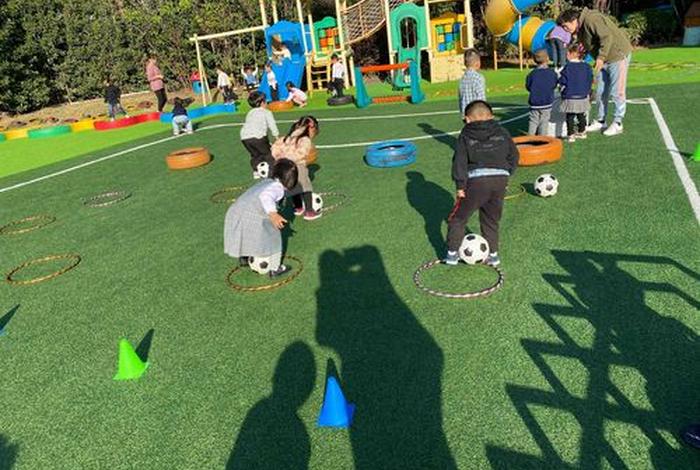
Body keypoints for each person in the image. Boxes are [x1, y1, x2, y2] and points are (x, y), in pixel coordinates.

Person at [444, 101, 519, 268]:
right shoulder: (502, 131)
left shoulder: (465, 134)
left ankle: (452, 254)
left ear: (467, 119)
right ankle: (493, 256)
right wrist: (507, 173)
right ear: (491, 116)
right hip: (500, 180)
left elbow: (459, 162)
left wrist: (460, 186)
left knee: (458, 218)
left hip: (476, 181)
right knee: (491, 219)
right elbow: (514, 155)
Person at [557, 8, 632, 136]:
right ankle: (601, 120)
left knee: (617, 91)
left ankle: (618, 122)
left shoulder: (591, 19)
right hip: (604, 59)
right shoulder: (579, 28)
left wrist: (601, 57)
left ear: (573, 20)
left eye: (565, 26)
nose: (565, 29)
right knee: (601, 91)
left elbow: (606, 37)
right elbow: (588, 43)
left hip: (617, 55)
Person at [224, 159, 299, 278]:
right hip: (252, 213)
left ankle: (244, 258)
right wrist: (273, 214)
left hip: (235, 211)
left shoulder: (267, 181)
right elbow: (266, 196)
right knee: (273, 236)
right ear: (291, 180)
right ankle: (274, 268)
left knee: (246, 234)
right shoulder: (277, 187)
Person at [271, 116, 321, 221]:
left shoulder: (286, 138)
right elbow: (302, 153)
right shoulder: (305, 140)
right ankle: (309, 211)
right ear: (311, 128)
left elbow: (274, 148)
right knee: (305, 187)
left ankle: (298, 208)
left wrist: (281, 158)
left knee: (291, 186)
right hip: (297, 166)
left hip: (283, 166)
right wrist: (292, 159)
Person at [240, 91, 279, 179]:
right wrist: (277, 137)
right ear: (262, 103)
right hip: (258, 136)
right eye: (266, 101)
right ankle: (273, 173)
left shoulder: (250, 112)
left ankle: (256, 171)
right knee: (268, 155)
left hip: (244, 137)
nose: (267, 103)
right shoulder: (266, 112)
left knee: (255, 155)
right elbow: (272, 125)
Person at [559, 44, 593, 142]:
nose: (566, 55)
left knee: (570, 116)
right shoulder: (587, 67)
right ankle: (582, 131)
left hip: (570, 95)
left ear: (573, 53)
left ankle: (571, 135)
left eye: (567, 53)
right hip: (582, 95)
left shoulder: (567, 67)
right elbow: (590, 80)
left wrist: (562, 90)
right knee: (581, 114)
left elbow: (562, 81)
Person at [525, 49, 558, 136]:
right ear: (547, 58)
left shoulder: (532, 74)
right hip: (547, 101)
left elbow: (528, 86)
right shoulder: (552, 73)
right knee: (544, 121)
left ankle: (530, 138)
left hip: (534, 102)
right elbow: (554, 84)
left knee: (533, 121)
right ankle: (542, 139)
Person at [458, 49, 486, 115]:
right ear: (478, 63)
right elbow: (481, 99)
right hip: (478, 115)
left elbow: (460, 100)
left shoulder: (462, 80)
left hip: (466, 115)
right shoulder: (478, 78)